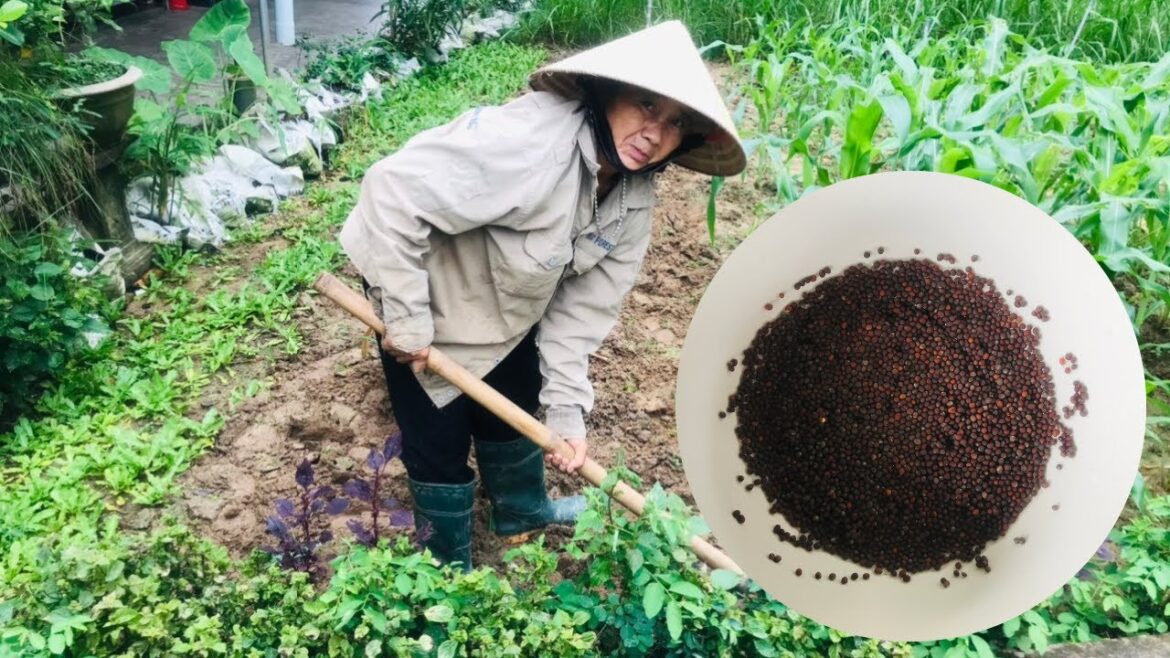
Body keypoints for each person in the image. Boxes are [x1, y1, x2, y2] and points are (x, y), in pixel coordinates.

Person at [338, 20, 746, 569]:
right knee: (438, 435)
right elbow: (390, 192)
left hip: (510, 297)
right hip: (427, 287)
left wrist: (568, 417)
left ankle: (521, 509)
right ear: (606, 92)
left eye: (675, 123)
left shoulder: (632, 194)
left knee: (517, 394)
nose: (656, 132)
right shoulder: (529, 144)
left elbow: (582, 311)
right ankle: (444, 567)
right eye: (647, 105)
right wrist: (408, 319)